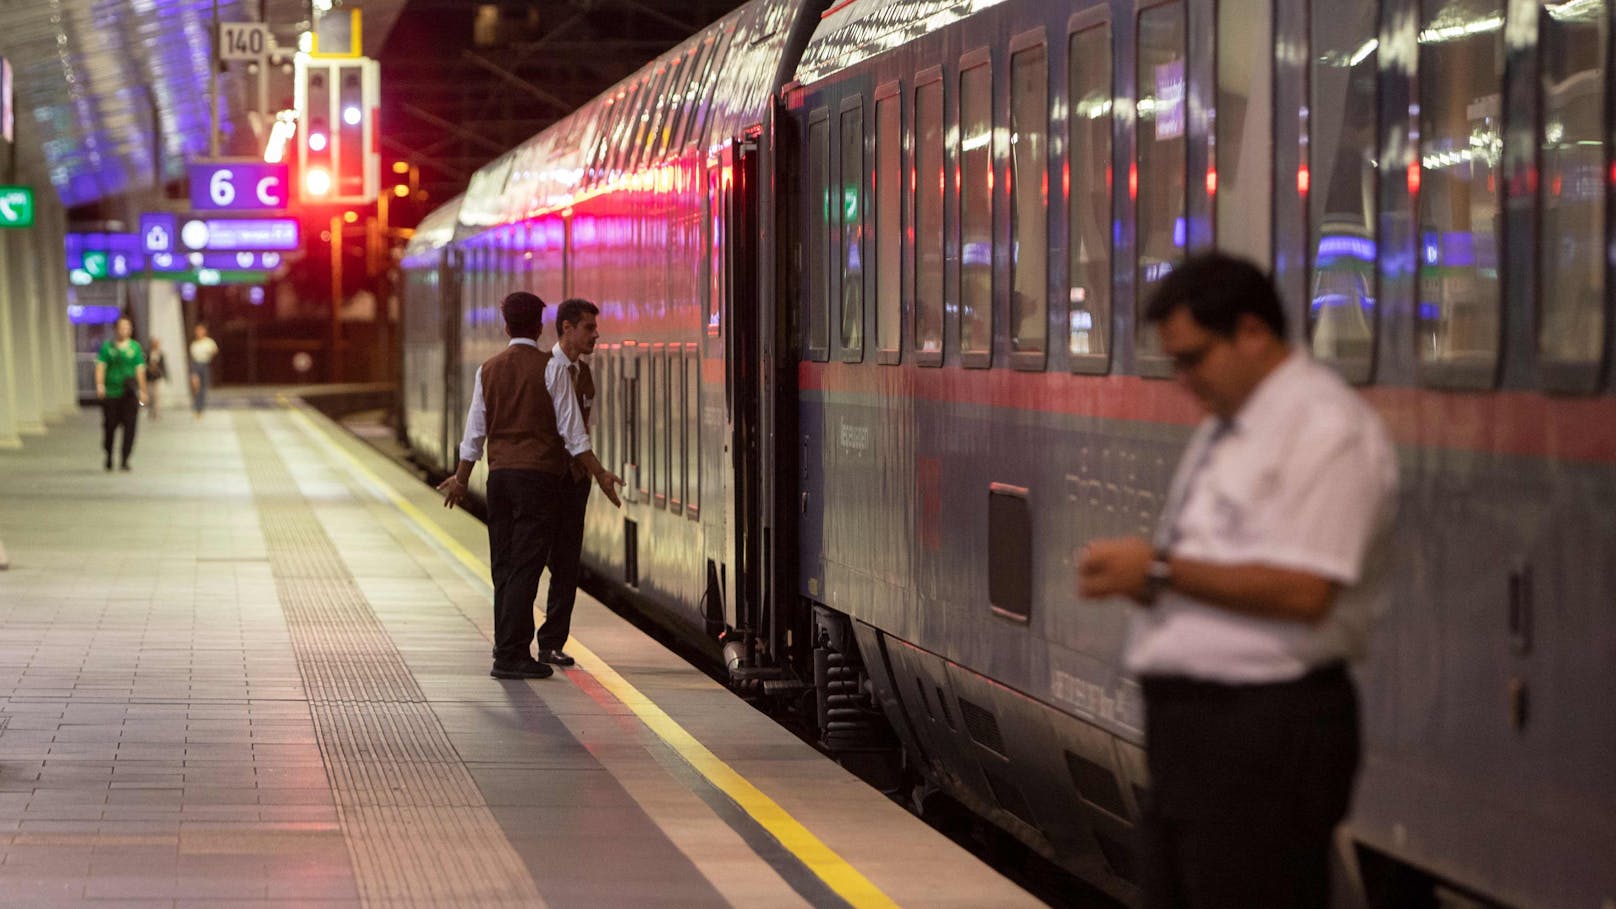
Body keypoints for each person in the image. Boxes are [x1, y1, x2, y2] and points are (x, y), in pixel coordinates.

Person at [1077, 253, 1398, 909]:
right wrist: (1150, 582)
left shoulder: (1327, 429)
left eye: (1194, 357)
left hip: (1267, 736)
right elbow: (1218, 563)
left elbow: (1306, 590)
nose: (1185, 380)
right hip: (1198, 740)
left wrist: (1161, 570)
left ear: (1252, 331)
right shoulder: (1229, 428)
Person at [436, 292, 622, 680]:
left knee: (504, 566)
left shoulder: (488, 368)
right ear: (540, 327)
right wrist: (600, 473)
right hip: (538, 479)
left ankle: (507, 646)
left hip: (499, 479)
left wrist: (461, 478)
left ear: (505, 325)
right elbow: (574, 435)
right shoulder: (550, 369)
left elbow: (475, 432)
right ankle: (511, 654)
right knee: (525, 567)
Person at [537, 298, 606, 667]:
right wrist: (599, 470)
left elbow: (583, 427)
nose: (595, 335)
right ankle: (519, 640)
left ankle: (551, 642)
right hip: (548, 478)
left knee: (566, 564)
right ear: (567, 328)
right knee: (539, 558)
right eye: (588, 328)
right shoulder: (549, 370)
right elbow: (568, 430)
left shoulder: (584, 373)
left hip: (573, 480)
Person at [94, 315, 148, 472]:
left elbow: (140, 370)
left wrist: (143, 391)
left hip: (129, 393)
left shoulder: (135, 348)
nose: (125, 330)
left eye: (128, 327)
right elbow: (100, 367)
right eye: (122, 327)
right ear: (116, 329)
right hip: (111, 393)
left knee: (130, 427)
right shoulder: (107, 347)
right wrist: (100, 385)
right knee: (109, 426)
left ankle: (125, 458)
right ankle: (109, 455)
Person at [188, 323, 220, 419]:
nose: (199, 332)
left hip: (205, 365)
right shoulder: (194, 344)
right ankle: (196, 408)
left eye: (201, 330)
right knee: (196, 388)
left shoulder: (209, 342)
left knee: (203, 389)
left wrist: (209, 353)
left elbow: (215, 351)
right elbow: (193, 358)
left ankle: (200, 409)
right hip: (195, 366)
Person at [145, 338, 168, 420]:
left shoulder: (160, 354)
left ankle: (157, 413)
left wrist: (165, 376)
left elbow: (163, 366)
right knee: (150, 396)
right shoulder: (147, 353)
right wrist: (149, 368)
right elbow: (144, 364)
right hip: (149, 378)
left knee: (157, 396)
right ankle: (151, 411)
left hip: (157, 377)